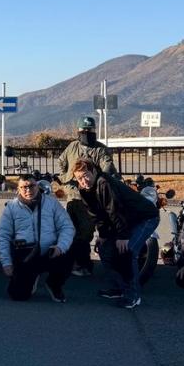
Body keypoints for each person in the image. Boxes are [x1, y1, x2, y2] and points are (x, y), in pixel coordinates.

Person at [71, 159, 160, 310]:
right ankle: (119, 288)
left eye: (86, 175)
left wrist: (123, 236)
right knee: (105, 249)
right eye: (79, 178)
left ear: (94, 171)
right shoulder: (84, 189)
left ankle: (133, 295)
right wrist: (103, 235)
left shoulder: (104, 183)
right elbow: (96, 215)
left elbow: (115, 210)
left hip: (144, 217)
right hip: (125, 220)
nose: (83, 181)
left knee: (127, 251)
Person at [0, 177, 75, 302]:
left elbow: (67, 227)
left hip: (49, 252)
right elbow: (3, 235)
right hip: (26, 255)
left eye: (31, 186)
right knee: (18, 295)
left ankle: (53, 284)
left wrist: (60, 247)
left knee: (71, 251)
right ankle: (31, 277)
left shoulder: (51, 203)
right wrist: (7, 263)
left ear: (38, 186)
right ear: (18, 189)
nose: (28, 190)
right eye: (24, 187)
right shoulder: (11, 207)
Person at [57, 116, 119, 276]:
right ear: (78, 131)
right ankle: (72, 263)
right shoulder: (72, 146)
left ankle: (83, 264)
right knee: (70, 230)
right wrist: (66, 178)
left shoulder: (100, 149)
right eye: (83, 130)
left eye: (89, 130)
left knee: (85, 232)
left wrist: (97, 182)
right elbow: (61, 162)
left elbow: (108, 166)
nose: (86, 132)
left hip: (90, 198)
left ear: (94, 130)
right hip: (72, 197)